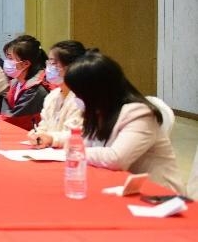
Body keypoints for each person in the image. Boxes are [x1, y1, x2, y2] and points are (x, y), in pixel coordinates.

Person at [57, 51, 183, 193]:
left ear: (96, 92)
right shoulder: (100, 111)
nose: (76, 99)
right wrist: (53, 139)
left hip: (157, 193)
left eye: (79, 94)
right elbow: (82, 138)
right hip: (121, 187)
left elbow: (116, 158)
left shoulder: (140, 113)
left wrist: (75, 150)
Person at [27, 40, 87, 148]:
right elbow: (44, 126)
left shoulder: (82, 98)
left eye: (53, 63)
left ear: (71, 67)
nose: (49, 68)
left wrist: (51, 138)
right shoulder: (52, 96)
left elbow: (78, 134)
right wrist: (38, 134)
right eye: (49, 63)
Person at [0, 35, 49, 129]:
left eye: (10, 59)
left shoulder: (35, 89)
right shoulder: (16, 82)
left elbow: (14, 118)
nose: (6, 62)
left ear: (26, 63)